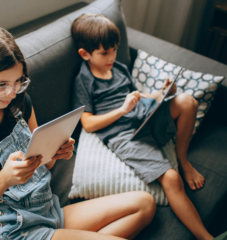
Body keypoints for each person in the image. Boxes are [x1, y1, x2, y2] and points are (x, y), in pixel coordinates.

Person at [0, 26, 156, 240]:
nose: (11, 93)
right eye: (1, 85)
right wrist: (2, 180)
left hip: (47, 211)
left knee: (145, 204)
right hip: (14, 229)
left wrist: (57, 151)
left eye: (18, 82)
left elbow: (44, 165)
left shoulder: (19, 104)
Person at [71, 13, 214, 240]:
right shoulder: (84, 80)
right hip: (124, 136)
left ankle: (183, 160)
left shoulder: (118, 67)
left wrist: (163, 93)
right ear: (85, 54)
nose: (112, 56)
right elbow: (87, 123)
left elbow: (138, 95)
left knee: (188, 101)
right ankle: (206, 237)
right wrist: (122, 110)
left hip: (144, 117)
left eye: (115, 49)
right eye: (105, 52)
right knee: (171, 178)